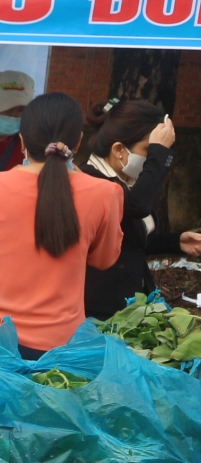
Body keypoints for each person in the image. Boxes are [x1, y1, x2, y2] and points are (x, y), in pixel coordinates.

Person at [0, 92, 122, 358]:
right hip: (62, 344)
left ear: (21, 141)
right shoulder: (105, 193)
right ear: (78, 142)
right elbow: (104, 259)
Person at [78, 97, 178, 320]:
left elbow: (130, 242)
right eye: (147, 150)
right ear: (119, 150)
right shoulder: (90, 181)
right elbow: (135, 207)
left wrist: (177, 241)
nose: (151, 157)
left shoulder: (127, 182)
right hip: (97, 313)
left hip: (128, 308)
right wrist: (159, 155)